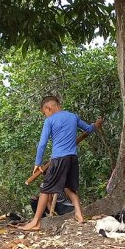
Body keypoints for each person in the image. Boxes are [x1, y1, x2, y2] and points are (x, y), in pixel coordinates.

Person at [19, 96, 98, 231]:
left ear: (48, 108)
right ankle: (79, 214)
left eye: (45, 113)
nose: (46, 116)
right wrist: (95, 125)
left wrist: (37, 162)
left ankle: (36, 221)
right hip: (72, 158)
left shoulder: (50, 121)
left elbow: (42, 143)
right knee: (69, 187)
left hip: (59, 159)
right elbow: (89, 129)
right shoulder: (73, 116)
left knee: (45, 188)